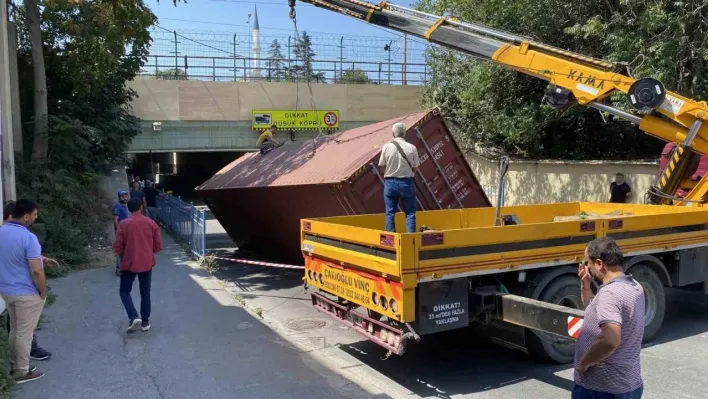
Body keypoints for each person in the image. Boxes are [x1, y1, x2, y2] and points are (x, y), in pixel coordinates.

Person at [574, 237, 645, 399]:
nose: (588, 268)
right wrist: (586, 286)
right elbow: (596, 310)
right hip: (627, 383)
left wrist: (584, 363)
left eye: (588, 263)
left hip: (602, 388)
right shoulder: (634, 286)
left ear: (599, 264)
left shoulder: (610, 293)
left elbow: (610, 339)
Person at [0, 199, 47, 383]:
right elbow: (36, 271)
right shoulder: (28, 238)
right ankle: (21, 371)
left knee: (16, 328)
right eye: (34, 215)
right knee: (25, 333)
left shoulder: (1, 232)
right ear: (26, 216)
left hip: (6, 291)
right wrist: (42, 291)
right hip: (26, 293)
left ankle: (16, 362)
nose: (35, 218)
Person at [114, 198, 162, 333]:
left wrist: (126, 254)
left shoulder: (123, 224)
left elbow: (117, 246)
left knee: (124, 291)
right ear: (141, 207)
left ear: (129, 209)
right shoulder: (151, 223)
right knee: (145, 292)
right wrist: (147, 251)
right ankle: (145, 322)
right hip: (146, 262)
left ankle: (133, 316)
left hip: (128, 263)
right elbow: (158, 246)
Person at [378, 122, 420, 233]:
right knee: (410, 213)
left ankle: (390, 240)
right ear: (404, 134)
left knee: (390, 212)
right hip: (407, 183)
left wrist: (387, 174)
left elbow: (381, 165)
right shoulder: (412, 148)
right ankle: (410, 240)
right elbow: (415, 168)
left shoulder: (387, 147)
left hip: (390, 182)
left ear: (393, 133)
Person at [113, 190, 131, 277]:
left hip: (126, 231)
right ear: (119, 197)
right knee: (120, 250)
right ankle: (119, 270)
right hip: (121, 231)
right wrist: (119, 230)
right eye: (122, 196)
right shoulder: (117, 206)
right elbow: (116, 219)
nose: (124, 198)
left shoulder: (124, 206)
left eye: (126, 196)